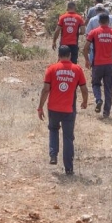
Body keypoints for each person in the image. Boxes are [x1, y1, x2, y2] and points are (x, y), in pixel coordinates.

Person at [38, 45, 89, 175]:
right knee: (68, 138)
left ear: (58, 55)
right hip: (68, 109)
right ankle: (69, 168)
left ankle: (53, 154)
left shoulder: (51, 69)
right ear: (70, 55)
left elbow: (45, 90)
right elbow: (83, 88)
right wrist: (85, 101)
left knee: (53, 129)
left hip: (53, 108)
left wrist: (40, 107)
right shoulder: (77, 69)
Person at [83, 13, 112, 119]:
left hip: (97, 64)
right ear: (108, 21)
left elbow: (85, 48)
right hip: (109, 65)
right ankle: (106, 112)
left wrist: (87, 60)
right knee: (108, 88)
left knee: (95, 84)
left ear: (99, 22)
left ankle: (98, 99)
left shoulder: (94, 32)